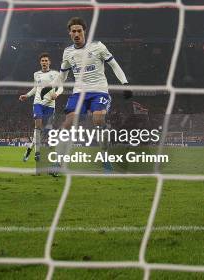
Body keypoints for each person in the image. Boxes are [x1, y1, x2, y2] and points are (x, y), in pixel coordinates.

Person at [58, 17, 132, 173]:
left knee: (98, 118)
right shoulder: (68, 52)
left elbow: (113, 64)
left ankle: (105, 158)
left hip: (99, 91)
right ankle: (58, 162)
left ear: (84, 31)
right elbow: (62, 75)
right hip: (79, 93)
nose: (76, 34)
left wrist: (124, 83)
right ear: (69, 33)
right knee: (68, 123)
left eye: (79, 30)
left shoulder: (98, 47)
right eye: (73, 31)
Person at [18, 52, 62, 162]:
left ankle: (29, 150)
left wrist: (57, 94)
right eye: (42, 61)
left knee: (44, 132)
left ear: (49, 62)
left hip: (50, 105)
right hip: (38, 103)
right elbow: (35, 88)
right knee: (38, 126)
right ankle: (37, 152)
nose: (44, 62)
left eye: (46, 60)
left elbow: (61, 88)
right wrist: (27, 95)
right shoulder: (36, 74)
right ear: (40, 62)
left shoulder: (55, 74)